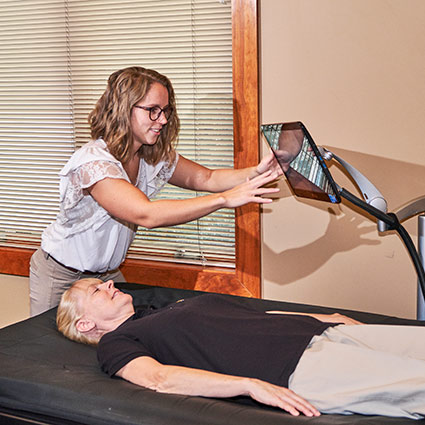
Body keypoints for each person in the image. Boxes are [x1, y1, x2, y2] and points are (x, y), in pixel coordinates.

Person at [30, 66, 283, 316]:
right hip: (61, 274)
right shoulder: (93, 162)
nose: (162, 120)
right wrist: (225, 199)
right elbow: (145, 214)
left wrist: (257, 171)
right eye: (152, 110)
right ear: (123, 109)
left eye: (165, 111)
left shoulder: (152, 157)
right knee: (45, 352)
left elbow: (207, 177)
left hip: (106, 278)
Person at [57, 278, 425, 420]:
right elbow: (160, 379)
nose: (107, 283)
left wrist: (322, 315)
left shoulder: (157, 310)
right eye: (96, 290)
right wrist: (248, 385)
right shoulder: (115, 343)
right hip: (298, 368)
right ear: (86, 323)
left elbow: (250, 316)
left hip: (320, 333)